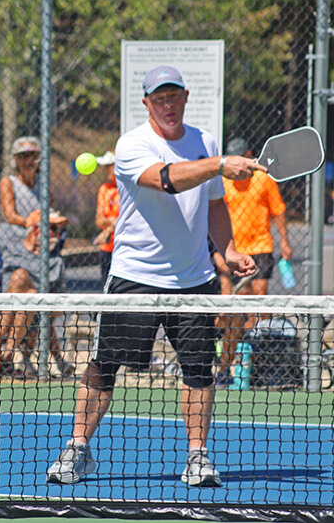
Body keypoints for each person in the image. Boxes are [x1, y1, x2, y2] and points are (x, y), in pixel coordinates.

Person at [46, 65, 262, 487]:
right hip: (134, 277)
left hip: (195, 278)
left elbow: (215, 205)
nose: (167, 105)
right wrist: (218, 164)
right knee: (103, 368)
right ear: (146, 103)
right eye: (158, 98)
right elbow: (166, 181)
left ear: (185, 97)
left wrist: (229, 249)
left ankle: (198, 457)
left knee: (200, 370)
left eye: (173, 96)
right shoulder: (132, 145)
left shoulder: (204, 141)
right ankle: (77, 449)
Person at [0, 136, 72, 377]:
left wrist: (51, 220)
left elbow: (51, 210)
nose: (28, 160)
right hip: (12, 246)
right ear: (16, 159)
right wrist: (32, 221)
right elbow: (10, 214)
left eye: (32, 155)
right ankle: (7, 346)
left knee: (31, 297)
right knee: (23, 286)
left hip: (38, 252)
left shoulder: (43, 183)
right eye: (23, 156)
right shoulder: (8, 182)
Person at [213, 136, 293, 385]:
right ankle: (225, 366)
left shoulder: (263, 179)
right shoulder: (224, 182)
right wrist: (218, 250)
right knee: (229, 311)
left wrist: (285, 241)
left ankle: (258, 363)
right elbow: (212, 213)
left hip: (260, 248)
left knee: (260, 307)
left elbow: (278, 211)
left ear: (249, 154)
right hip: (232, 251)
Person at [93, 151, 119, 287]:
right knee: (106, 288)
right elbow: (99, 220)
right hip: (107, 248)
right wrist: (112, 222)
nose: (105, 169)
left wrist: (108, 230)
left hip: (123, 248)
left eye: (109, 166)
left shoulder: (127, 187)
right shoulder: (104, 189)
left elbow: (128, 219)